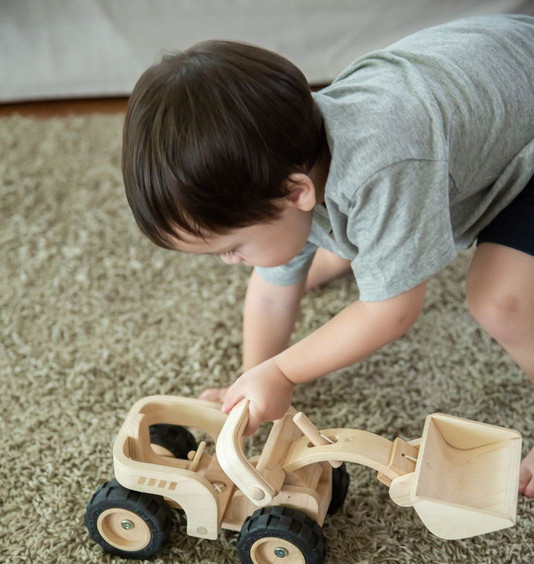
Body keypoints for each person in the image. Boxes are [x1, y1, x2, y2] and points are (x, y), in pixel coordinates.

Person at [121, 14, 534, 496]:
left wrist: (282, 371)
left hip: (525, 147)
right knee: (318, 248)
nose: (230, 262)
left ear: (296, 193)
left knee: (500, 298)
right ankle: (367, 250)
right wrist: (254, 382)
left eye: (231, 248)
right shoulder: (286, 160)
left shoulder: (384, 164)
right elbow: (273, 290)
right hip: (492, 90)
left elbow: (393, 310)